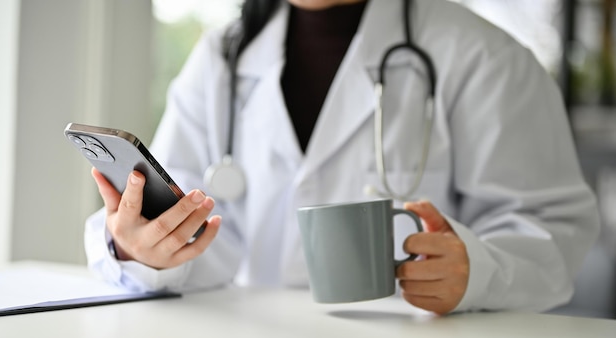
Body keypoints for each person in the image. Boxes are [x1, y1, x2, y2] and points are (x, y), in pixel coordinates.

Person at [84, 0, 600, 315]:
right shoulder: (222, 58)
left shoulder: (484, 58)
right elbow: (196, 236)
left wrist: (480, 270)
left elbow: (553, 227)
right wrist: (139, 248)